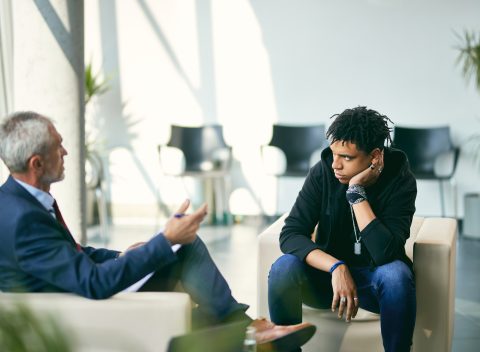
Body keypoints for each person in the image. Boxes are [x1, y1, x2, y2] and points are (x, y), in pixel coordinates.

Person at [0, 111, 315, 352]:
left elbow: (72, 254)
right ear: (37, 164)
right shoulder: (23, 220)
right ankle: (245, 333)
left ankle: (243, 334)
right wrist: (165, 240)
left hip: (76, 288)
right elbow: (93, 283)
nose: (66, 152)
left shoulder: (19, 201)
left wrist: (125, 254)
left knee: (183, 254)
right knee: (185, 249)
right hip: (83, 302)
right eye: (59, 146)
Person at [268, 106, 417, 352]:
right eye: (334, 153)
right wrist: (336, 266)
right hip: (327, 281)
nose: (335, 164)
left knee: (396, 275)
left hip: (374, 282)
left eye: (346, 157)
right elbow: (291, 233)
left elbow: (385, 253)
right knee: (284, 267)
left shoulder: (400, 179)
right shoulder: (324, 171)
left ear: (375, 156)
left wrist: (357, 194)